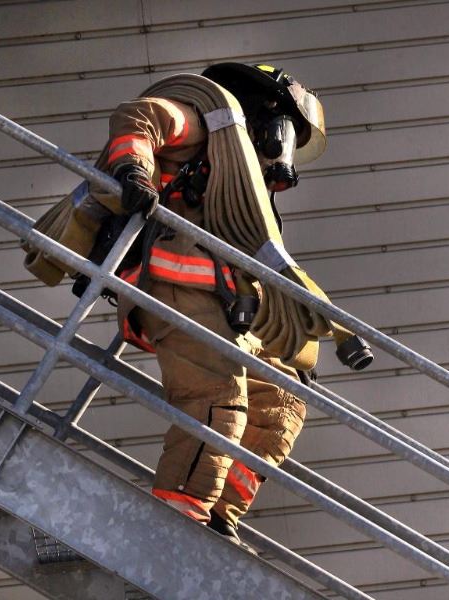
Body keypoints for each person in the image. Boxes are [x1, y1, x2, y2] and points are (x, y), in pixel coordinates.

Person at [100, 63, 328, 544]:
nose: (281, 148)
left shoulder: (244, 180)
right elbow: (139, 118)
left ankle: (221, 515)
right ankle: (179, 522)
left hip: (231, 304)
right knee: (217, 403)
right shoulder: (203, 119)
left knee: (282, 401)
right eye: (284, 129)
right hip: (174, 285)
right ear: (264, 113)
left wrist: (294, 343)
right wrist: (135, 172)